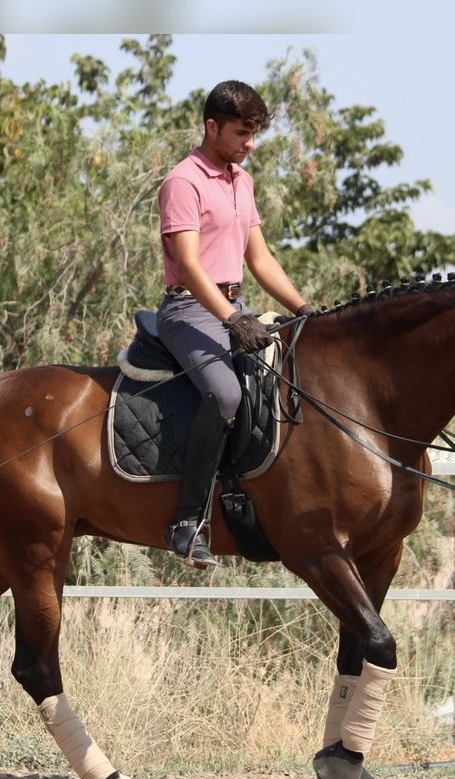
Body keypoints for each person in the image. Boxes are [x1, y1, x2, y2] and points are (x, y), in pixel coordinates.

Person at [157, 79, 314, 569]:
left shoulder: (241, 181)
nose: (250, 144)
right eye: (242, 134)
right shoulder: (183, 182)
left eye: (254, 135)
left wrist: (306, 309)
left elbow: (260, 260)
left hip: (235, 308)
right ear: (212, 126)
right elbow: (188, 266)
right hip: (189, 310)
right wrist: (230, 318)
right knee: (225, 395)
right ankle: (186, 522)